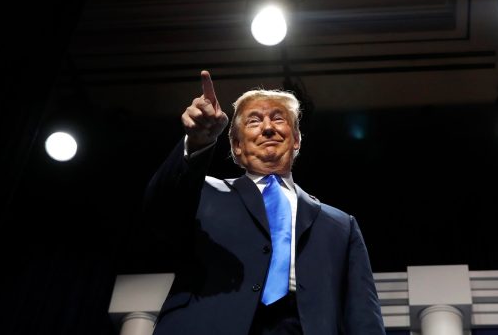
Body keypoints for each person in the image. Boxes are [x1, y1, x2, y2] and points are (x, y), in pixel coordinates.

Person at [144, 70, 385, 335]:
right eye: (254, 121)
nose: (268, 127)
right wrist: (198, 141)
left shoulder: (341, 224)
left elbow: (362, 314)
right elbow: (159, 213)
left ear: (296, 139)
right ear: (236, 145)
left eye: (278, 118)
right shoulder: (202, 192)